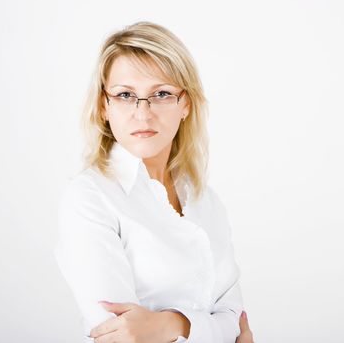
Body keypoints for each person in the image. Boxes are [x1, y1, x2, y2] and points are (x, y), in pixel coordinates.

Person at [54, 21, 254, 343]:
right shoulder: (89, 198)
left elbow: (235, 320)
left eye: (161, 94)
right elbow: (119, 334)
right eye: (125, 95)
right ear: (104, 106)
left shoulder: (206, 200)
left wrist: (173, 326)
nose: (142, 114)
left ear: (185, 104)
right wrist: (209, 328)